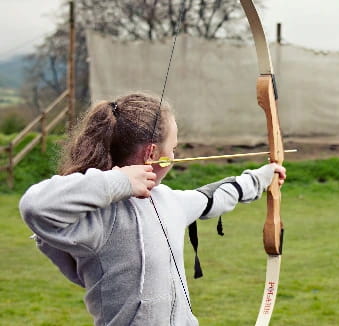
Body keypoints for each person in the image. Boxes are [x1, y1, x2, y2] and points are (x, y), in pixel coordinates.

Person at [19, 93, 286, 326]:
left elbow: (211, 197)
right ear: (153, 154)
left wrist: (262, 177)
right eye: (173, 148)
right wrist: (121, 181)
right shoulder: (100, 219)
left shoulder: (168, 201)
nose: (176, 154)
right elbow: (35, 206)